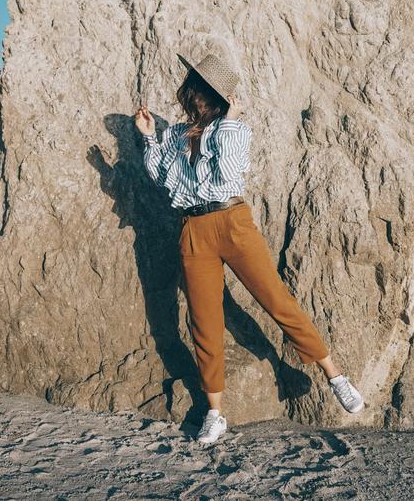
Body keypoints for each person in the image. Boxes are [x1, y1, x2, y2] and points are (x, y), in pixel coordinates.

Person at [134, 51, 364, 444]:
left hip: (232, 221)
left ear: (202, 91)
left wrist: (227, 124)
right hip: (192, 228)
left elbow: (227, 176)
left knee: (276, 299)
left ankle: (335, 375)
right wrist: (149, 138)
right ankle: (216, 414)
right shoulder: (174, 135)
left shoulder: (235, 130)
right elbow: (161, 179)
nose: (185, 86)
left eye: (192, 81)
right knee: (204, 323)